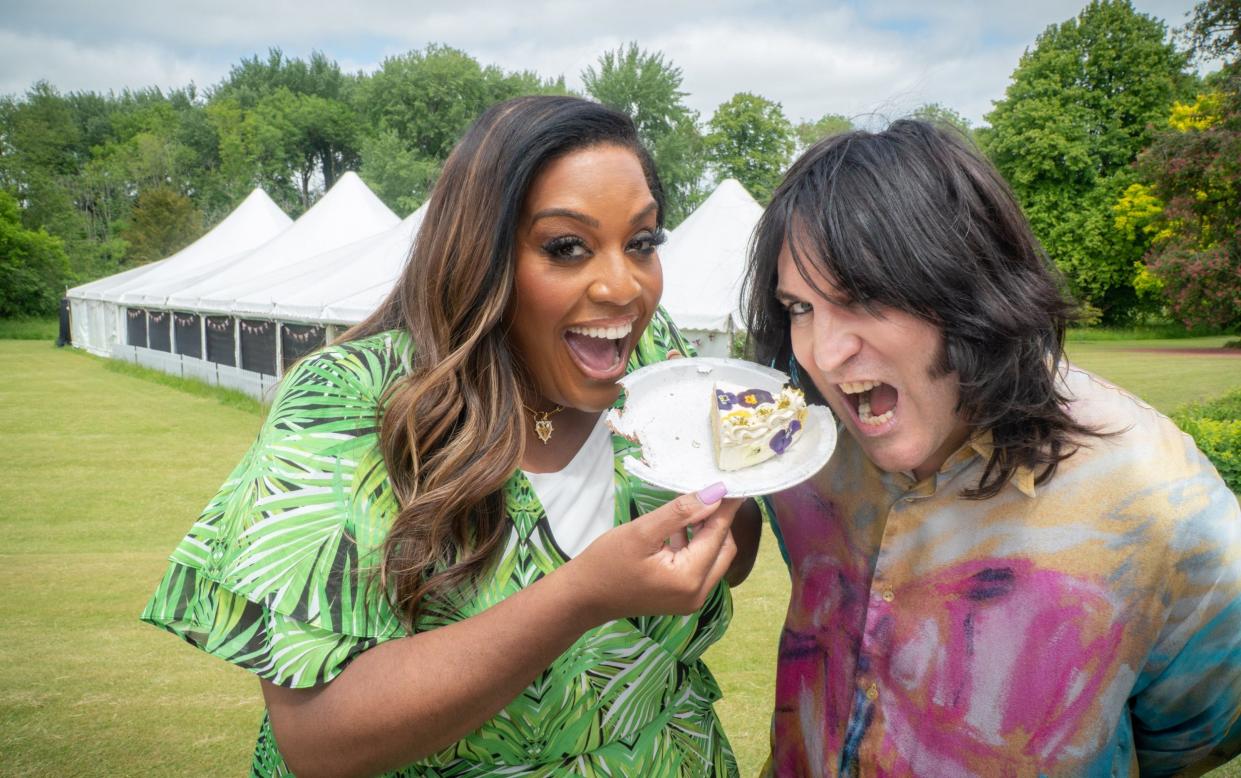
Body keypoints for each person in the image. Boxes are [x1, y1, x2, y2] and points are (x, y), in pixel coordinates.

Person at [142, 95, 761, 777]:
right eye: (566, 247)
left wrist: (735, 487)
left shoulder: (655, 362)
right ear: (479, 253)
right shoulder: (348, 400)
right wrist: (583, 595)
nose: (623, 287)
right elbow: (319, 738)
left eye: (641, 243)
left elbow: (726, 558)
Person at [743, 119, 1241, 776]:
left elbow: (1206, 727)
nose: (825, 354)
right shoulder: (808, 453)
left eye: (861, 295)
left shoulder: (1153, 498)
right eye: (800, 308)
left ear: (966, 285)